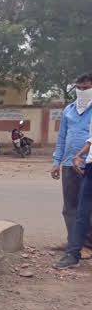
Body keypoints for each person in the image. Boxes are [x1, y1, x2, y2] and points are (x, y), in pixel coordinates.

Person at [51, 73, 92, 258]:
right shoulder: (69, 110)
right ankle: (72, 240)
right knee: (69, 206)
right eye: (79, 88)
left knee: (87, 206)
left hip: (87, 163)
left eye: (86, 88)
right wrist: (56, 162)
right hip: (68, 163)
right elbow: (61, 137)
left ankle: (87, 245)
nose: (82, 91)